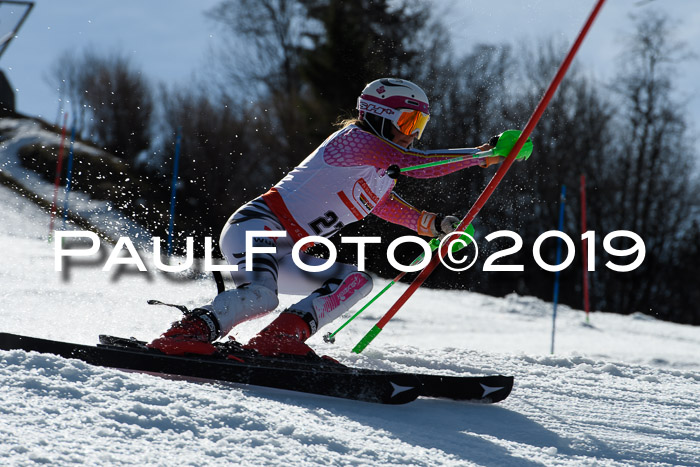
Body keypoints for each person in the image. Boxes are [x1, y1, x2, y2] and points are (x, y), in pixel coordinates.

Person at [149, 78, 505, 358]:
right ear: (380, 114)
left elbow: (386, 207)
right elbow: (421, 165)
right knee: (262, 297)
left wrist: (437, 225)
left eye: (420, 125)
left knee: (357, 281)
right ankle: (187, 333)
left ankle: (281, 337)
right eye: (409, 121)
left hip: (290, 251)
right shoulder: (355, 139)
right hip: (258, 227)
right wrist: (485, 156)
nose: (413, 134)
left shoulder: (381, 171)